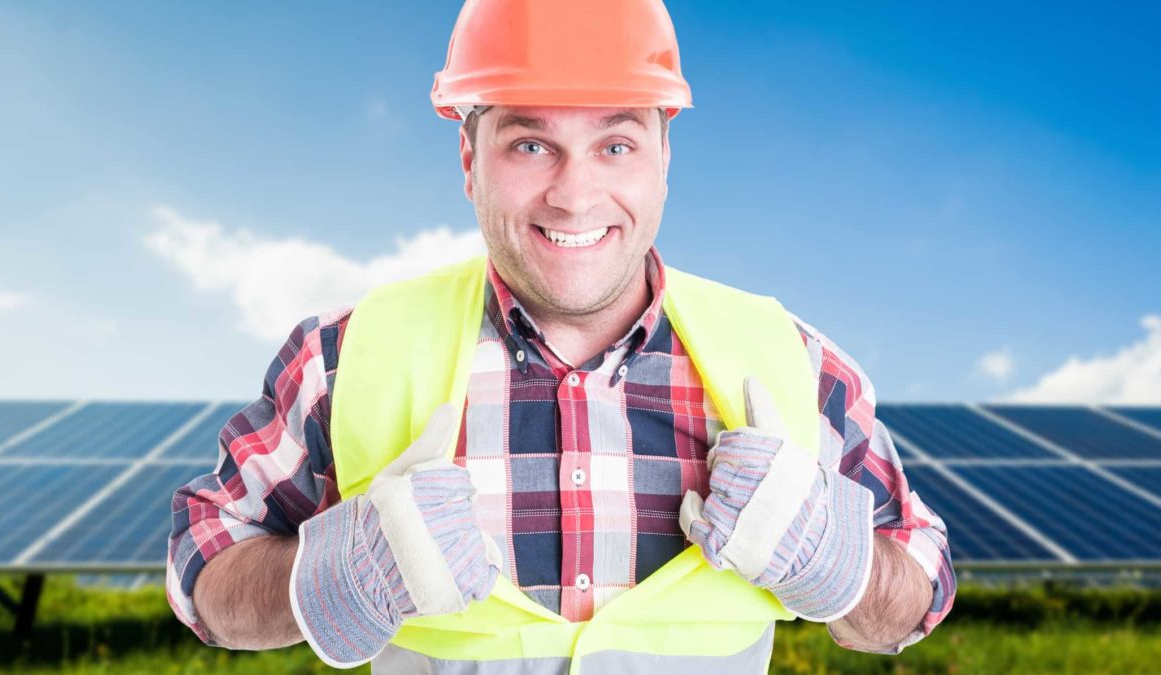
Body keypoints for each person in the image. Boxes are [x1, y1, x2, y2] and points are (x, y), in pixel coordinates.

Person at [166, 0, 955, 671]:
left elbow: (918, 590)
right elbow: (204, 576)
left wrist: (834, 558)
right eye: (530, 144)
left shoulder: (796, 365)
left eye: (615, 144)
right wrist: (341, 571)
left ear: (664, 157)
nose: (575, 196)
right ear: (469, 158)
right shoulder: (343, 360)